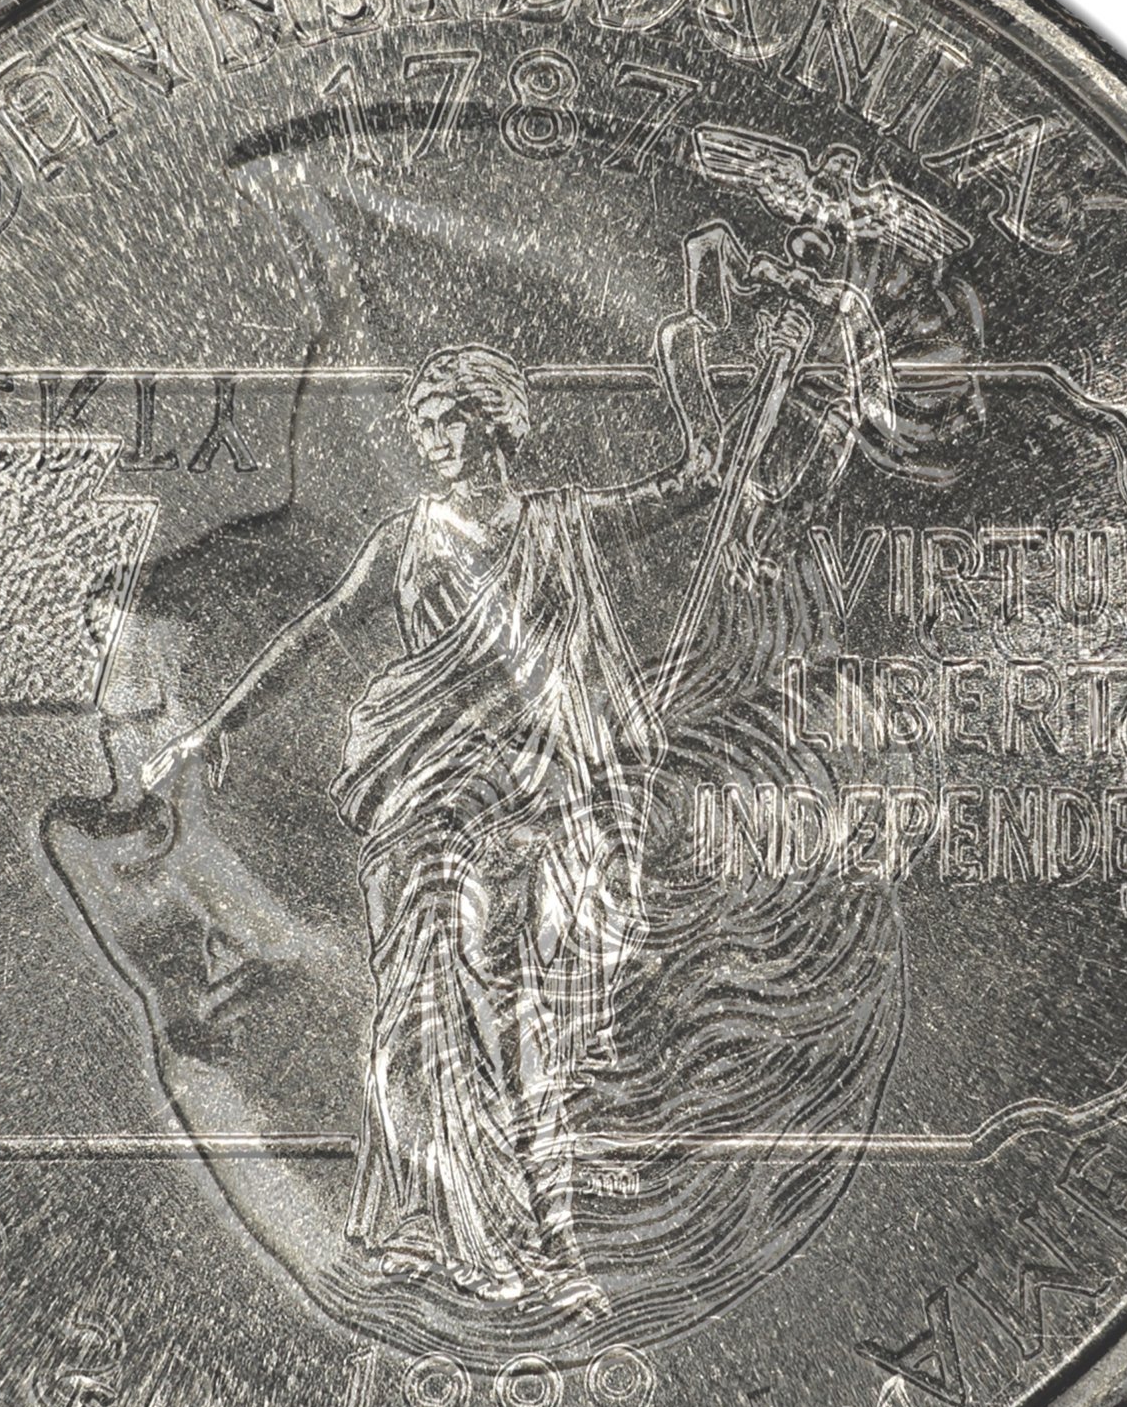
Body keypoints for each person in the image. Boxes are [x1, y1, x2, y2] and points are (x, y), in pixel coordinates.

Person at [143, 327, 741, 1313]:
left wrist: (701, 409)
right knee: (431, 996)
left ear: (494, 420)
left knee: (541, 1012)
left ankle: (540, 1228)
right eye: (420, 423)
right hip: (427, 793)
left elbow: (694, 486)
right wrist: (214, 727)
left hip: (541, 792)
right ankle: (441, 1229)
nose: (429, 438)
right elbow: (316, 631)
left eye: (446, 418)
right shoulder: (406, 538)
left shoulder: (561, 521)